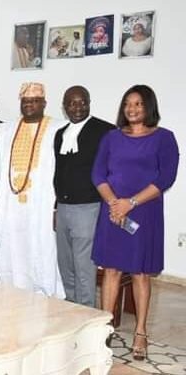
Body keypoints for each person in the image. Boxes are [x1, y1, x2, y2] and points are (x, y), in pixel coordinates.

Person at [92, 85, 179, 361]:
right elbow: (98, 174)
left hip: (144, 213)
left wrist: (130, 203)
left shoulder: (164, 138)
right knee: (112, 270)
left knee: (140, 272)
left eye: (139, 104)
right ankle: (106, 328)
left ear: (149, 107)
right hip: (113, 212)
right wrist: (115, 204)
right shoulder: (111, 138)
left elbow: (165, 178)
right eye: (128, 103)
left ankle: (140, 332)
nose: (132, 109)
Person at [0, 82, 67, 298]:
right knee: (11, 242)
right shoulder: (7, 129)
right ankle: (11, 283)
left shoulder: (57, 128)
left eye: (35, 101)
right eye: (25, 101)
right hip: (11, 200)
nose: (29, 105)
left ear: (44, 103)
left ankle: (42, 287)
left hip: (41, 201)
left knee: (40, 244)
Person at [54, 86, 114, 307]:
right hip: (63, 207)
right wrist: (55, 208)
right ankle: (70, 306)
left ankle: (86, 312)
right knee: (65, 262)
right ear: (64, 106)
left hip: (89, 207)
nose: (77, 107)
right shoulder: (60, 134)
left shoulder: (105, 131)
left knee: (84, 265)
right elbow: (58, 173)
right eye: (72, 103)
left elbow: (111, 171)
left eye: (82, 102)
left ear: (89, 103)